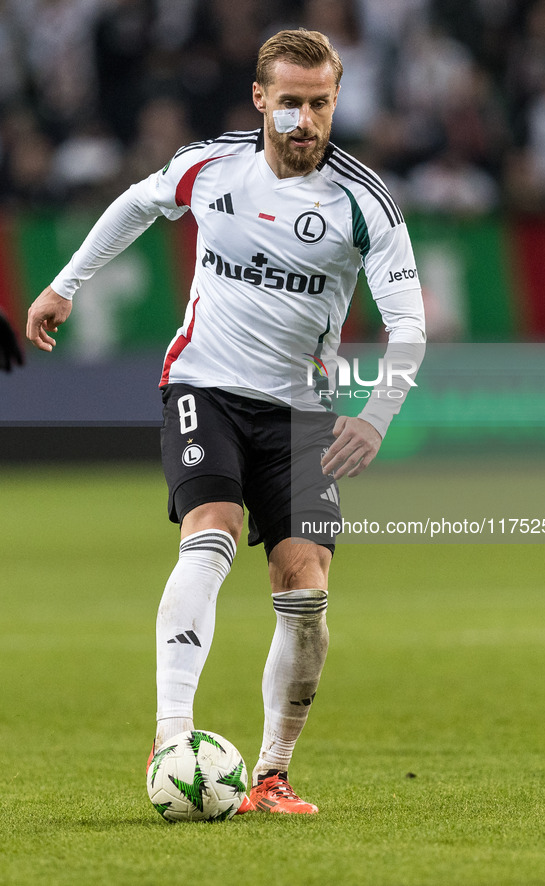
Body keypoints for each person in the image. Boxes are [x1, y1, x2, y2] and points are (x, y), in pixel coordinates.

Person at [26, 29, 425, 815]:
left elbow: (407, 321)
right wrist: (64, 285)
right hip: (202, 382)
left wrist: (377, 414)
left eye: (319, 104)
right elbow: (137, 203)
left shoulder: (362, 202)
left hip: (303, 411)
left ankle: (271, 775)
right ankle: (173, 735)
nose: (304, 121)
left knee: (304, 588)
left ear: (335, 102)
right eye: (289, 104)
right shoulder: (212, 166)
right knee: (210, 526)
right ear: (259, 100)